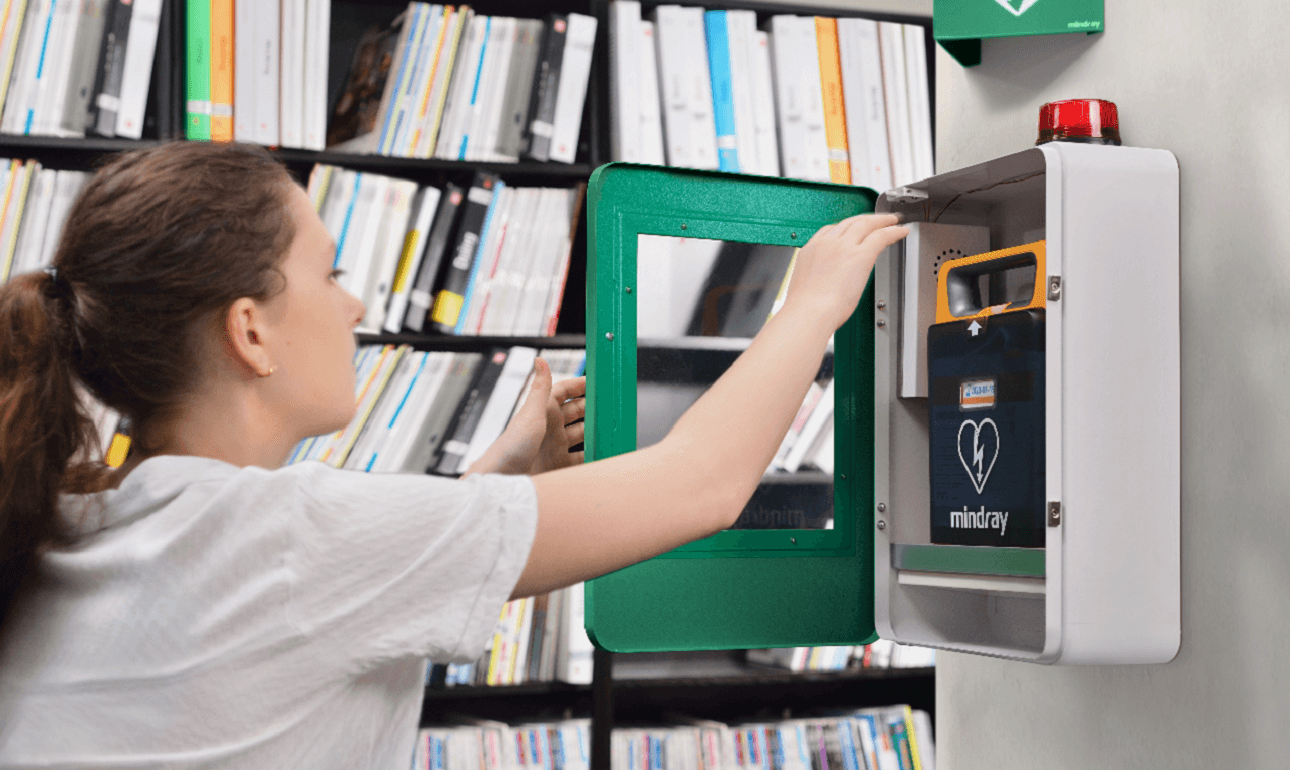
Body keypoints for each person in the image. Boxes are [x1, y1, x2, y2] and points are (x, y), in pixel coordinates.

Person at [0, 141, 907, 766]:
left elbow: (334, 599)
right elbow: (701, 483)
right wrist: (811, 306)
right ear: (250, 332)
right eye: (330, 275)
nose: (355, 308)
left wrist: (500, 478)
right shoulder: (290, 535)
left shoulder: (71, 515)